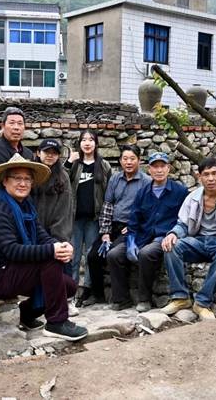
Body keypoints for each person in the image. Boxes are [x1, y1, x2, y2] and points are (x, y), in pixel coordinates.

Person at [0, 154, 88, 341]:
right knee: (50, 260)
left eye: (27, 179)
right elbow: (12, 250)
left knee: (68, 285)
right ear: (5, 181)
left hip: (18, 270)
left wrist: (59, 245)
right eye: (17, 178)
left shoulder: (26, 206)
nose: (23, 183)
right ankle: (56, 322)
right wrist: (52, 251)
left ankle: (25, 314)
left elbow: (41, 234)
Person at [160, 157, 216, 320]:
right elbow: (183, 224)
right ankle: (180, 297)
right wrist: (173, 234)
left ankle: (202, 302)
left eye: (214, 173)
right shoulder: (192, 198)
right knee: (172, 246)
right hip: (198, 242)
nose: (210, 178)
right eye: (206, 174)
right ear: (199, 177)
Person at [107, 152, 188, 312]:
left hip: (164, 237)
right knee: (114, 254)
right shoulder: (143, 192)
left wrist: (175, 234)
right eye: (155, 167)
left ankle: (144, 299)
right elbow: (134, 220)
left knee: (146, 253)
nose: (159, 170)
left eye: (162, 166)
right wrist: (130, 242)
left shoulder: (180, 192)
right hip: (141, 236)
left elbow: (185, 220)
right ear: (149, 169)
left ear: (168, 168)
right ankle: (121, 299)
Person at [86, 145, 151, 310]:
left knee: (114, 254)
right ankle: (98, 295)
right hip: (113, 226)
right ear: (120, 161)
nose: (128, 162)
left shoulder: (146, 182)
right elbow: (108, 206)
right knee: (93, 255)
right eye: (125, 159)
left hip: (131, 229)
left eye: (132, 159)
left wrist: (133, 226)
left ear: (139, 160)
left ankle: (122, 299)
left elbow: (148, 211)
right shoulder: (115, 179)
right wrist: (105, 232)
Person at [65, 130, 112, 306]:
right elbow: (61, 179)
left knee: (90, 256)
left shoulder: (104, 165)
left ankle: (87, 290)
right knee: (74, 256)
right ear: (80, 143)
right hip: (74, 219)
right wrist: (69, 161)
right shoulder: (75, 165)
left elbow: (109, 193)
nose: (87, 143)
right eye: (84, 140)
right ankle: (71, 289)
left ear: (96, 144)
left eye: (91, 140)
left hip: (94, 219)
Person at [33, 138, 77, 316]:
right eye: (46, 152)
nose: (50, 156)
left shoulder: (62, 176)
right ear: (38, 153)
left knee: (63, 260)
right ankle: (39, 303)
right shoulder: (32, 173)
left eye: (54, 153)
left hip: (57, 229)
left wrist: (58, 236)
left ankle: (67, 300)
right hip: (34, 228)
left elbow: (64, 208)